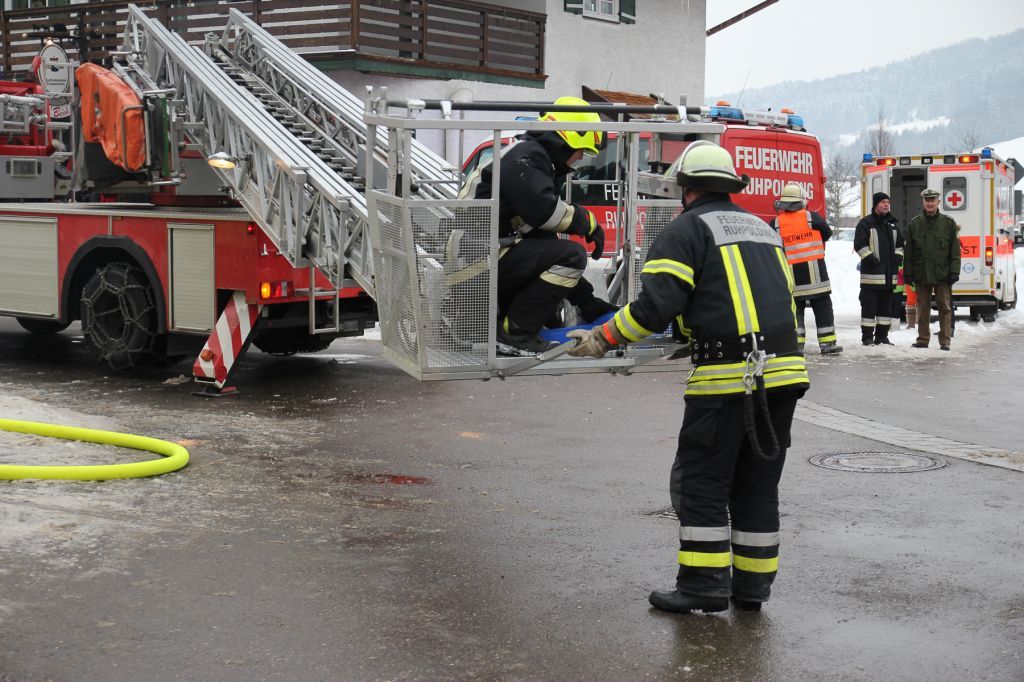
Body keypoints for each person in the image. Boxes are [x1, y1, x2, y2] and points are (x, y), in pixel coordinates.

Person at [567, 141, 808, 614]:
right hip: (783, 373)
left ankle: (702, 585)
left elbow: (655, 307)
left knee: (702, 485)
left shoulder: (685, 230)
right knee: (757, 488)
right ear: (730, 186)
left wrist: (602, 338)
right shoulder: (764, 229)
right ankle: (752, 589)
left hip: (727, 380)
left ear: (685, 188)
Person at [464, 96, 616, 355]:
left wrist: (586, 301)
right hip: (478, 257)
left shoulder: (530, 156)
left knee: (558, 255)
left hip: (481, 255)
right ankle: (514, 334)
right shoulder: (528, 157)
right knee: (573, 254)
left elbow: (542, 242)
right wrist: (589, 223)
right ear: (569, 139)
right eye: (581, 149)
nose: (580, 157)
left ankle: (518, 329)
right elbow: (545, 211)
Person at [768, 183, 842, 355]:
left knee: (796, 310)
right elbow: (827, 233)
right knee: (823, 308)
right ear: (801, 201)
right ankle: (827, 344)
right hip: (816, 275)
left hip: (791, 277)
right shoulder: (811, 217)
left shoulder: (776, 223)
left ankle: (796, 345)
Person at [904, 188, 961, 351]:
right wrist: (908, 272)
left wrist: (954, 271)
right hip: (921, 273)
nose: (930, 203)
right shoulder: (914, 224)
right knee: (922, 308)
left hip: (942, 273)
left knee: (945, 308)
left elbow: (955, 251)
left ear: (938, 202)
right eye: (927, 200)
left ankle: (945, 341)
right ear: (923, 202)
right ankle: (923, 339)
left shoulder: (948, 223)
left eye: (932, 200)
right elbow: (909, 252)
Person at [853, 192, 903, 345]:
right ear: (875, 205)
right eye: (882, 202)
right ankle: (867, 338)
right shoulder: (866, 223)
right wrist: (869, 258)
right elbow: (859, 244)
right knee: (868, 309)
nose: (886, 205)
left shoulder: (893, 224)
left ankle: (882, 337)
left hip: (889, 278)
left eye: (888, 202)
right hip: (871, 277)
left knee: (885, 310)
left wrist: (898, 256)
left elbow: (900, 244)